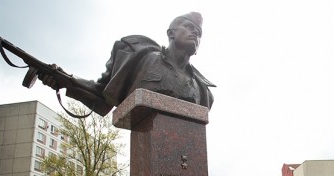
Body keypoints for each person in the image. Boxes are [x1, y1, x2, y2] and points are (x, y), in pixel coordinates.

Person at [40, 12, 215, 116]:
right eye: (188, 27)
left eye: (198, 32)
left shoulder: (203, 91)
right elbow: (103, 92)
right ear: (170, 33)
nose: (194, 33)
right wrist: (65, 80)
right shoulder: (139, 57)